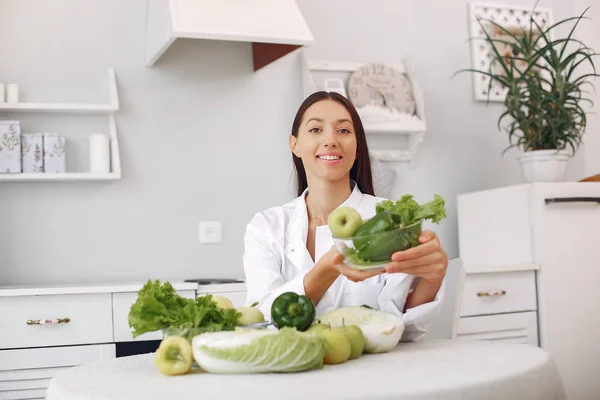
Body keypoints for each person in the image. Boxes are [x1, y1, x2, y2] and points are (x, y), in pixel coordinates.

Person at [242, 91, 448, 341]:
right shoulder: (265, 227)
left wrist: (432, 277)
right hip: (293, 374)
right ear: (294, 144)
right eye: (316, 129)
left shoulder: (393, 219)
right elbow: (260, 322)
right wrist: (327, 269)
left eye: (343, 131)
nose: (330, 140)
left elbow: (404, 330)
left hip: (374, 372)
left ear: (357, 147)